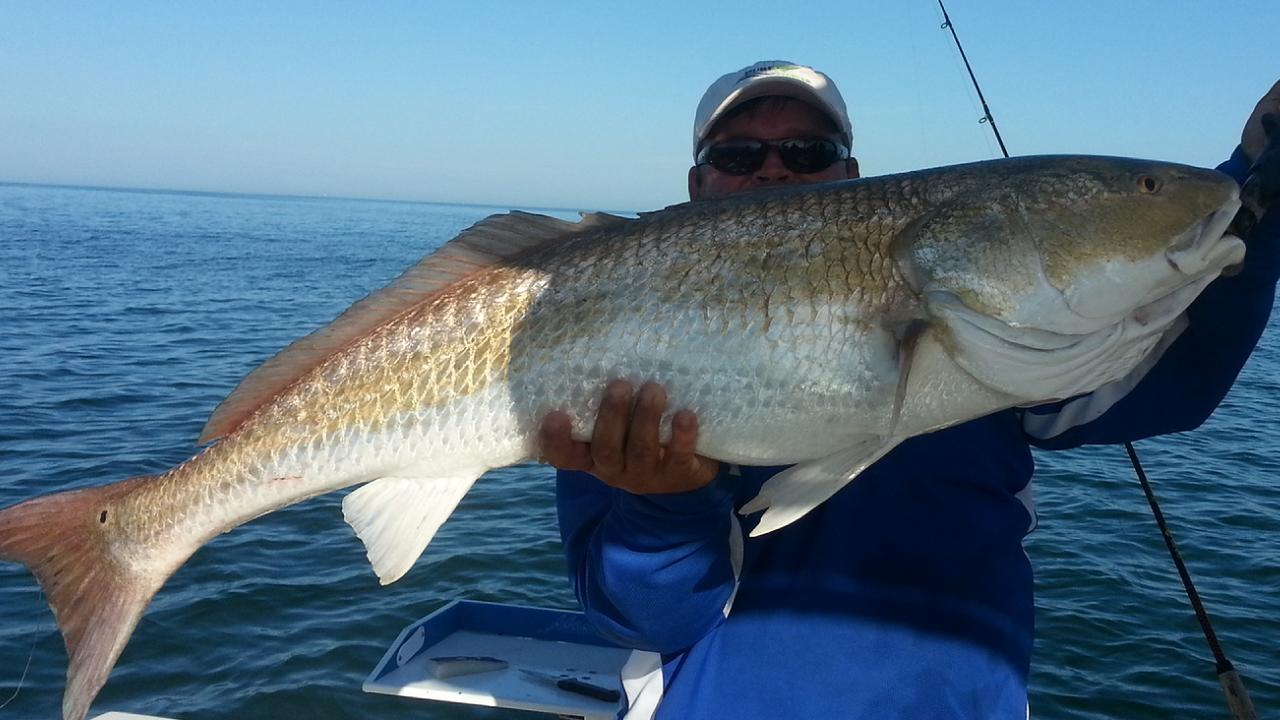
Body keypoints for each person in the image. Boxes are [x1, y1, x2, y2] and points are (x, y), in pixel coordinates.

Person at [539, 61, 1280, 719]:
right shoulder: (613, 350)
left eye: (808, 151)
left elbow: (1179, 378)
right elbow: (647, 623)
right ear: (697, 186)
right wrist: (662, 506)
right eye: (738, 155)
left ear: (851, 174)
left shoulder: (1000, 356)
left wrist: (1260, 172)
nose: (773, 170)